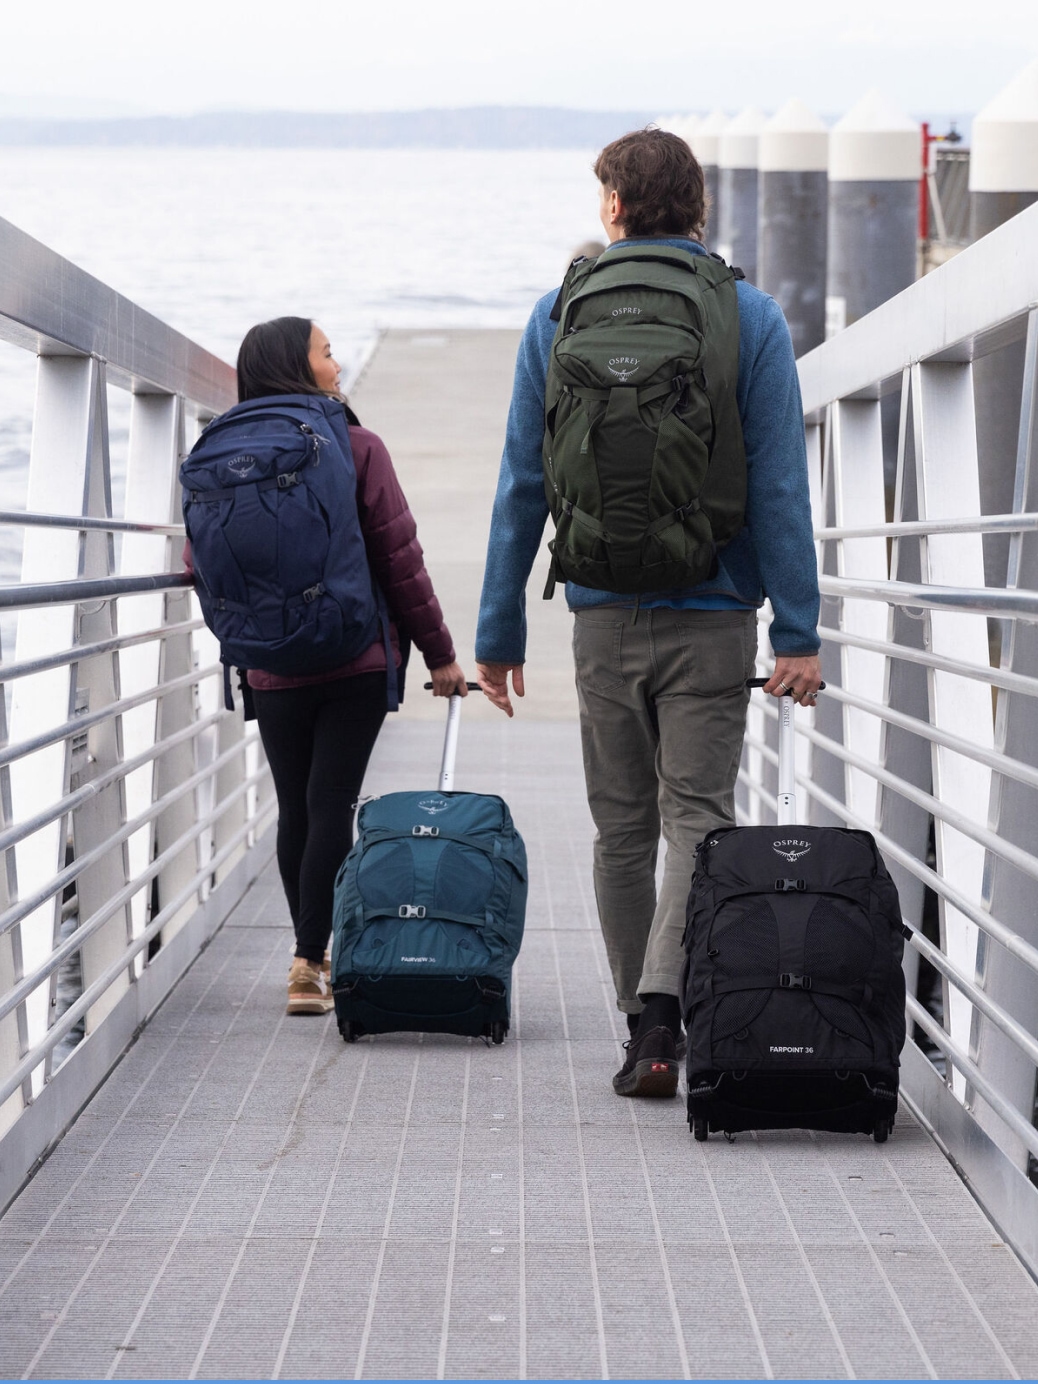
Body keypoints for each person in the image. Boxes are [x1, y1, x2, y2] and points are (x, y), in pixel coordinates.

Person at [474, 129, 822, 1098]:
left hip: (600, 615)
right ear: (699, 208)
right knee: (697, 816)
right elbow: (782, 489)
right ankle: (674, 1008)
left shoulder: (557, 315)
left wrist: (498, 632)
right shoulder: (750, 318)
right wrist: (798, 630)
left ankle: (641, 1022)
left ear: (613, 208)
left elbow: (521, 485)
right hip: (714, 609)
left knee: (621, 827)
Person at [192, 317, 466, 1015]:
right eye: (326, 352)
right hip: (351, 656)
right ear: (297, 365)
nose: (337, 364)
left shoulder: (219, 454)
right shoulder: (356, 447)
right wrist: (440, 656)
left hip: (268, 664)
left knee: (297, 808)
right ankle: (314, 961)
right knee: (330, 805)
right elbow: (400, 561)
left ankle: (306, 961)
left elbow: (202, 563)